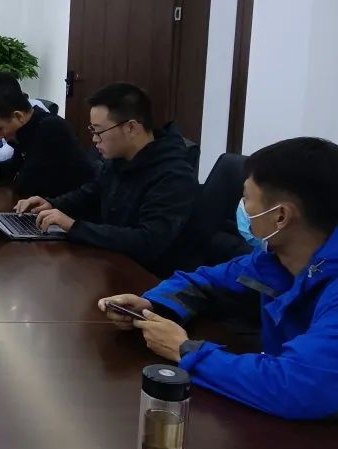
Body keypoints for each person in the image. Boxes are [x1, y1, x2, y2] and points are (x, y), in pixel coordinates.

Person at [98, 137, 338, 420]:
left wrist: (186, 350)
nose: (242, 209)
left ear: (281, 216)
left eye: (246, 199)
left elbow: (298, 387)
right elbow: (203, 282)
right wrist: (153, 306)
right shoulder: (272, 259)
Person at [15, 82, 197, 277]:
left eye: (99, 131)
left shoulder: (174, 176)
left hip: (149, 280)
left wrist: (74, 227)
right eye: (92, 131)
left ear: (131, 128)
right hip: (111, 262)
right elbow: (91, 193)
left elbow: (148, 241)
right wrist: (51, 204)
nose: (94, 139)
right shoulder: (120, 160)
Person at [0, 86, 95, 196]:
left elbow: (27, 183)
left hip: (72, 208)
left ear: (18, 116)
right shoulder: (28, 127)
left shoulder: (50, 128)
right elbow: (18, 164)